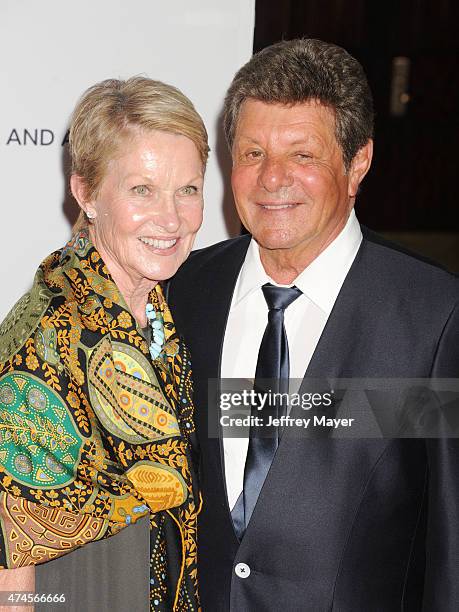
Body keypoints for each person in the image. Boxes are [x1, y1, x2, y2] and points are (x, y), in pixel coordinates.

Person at [168, 38, 459, 610]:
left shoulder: (433, 319)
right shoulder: (187, 290)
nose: (272, 179)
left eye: (302, 155)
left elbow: (451, 547)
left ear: (358, 165)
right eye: (252, 154)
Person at [0, 76, 208, 611]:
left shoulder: (165, 305)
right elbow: (13, 556)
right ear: (86, 194)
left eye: (188, 189)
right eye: (142, 190)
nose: (171, 218)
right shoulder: (49, 335)